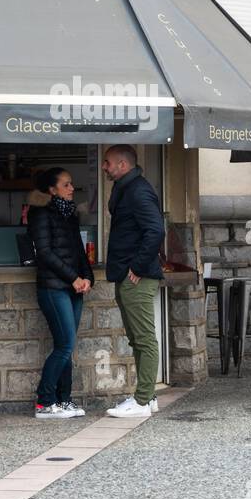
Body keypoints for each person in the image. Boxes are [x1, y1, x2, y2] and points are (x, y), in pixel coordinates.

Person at [101, 145, 164, 418]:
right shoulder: (125, 188)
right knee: (137, 339)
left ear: (122, 165)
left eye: (107, 163)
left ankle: (141, 401)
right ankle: (146, 397)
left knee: (144, 339)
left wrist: (137, 266)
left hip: (137, 276)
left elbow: (156, 229)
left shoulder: (138, 190)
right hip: (127, 274)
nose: (104, 167)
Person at [26, 167, 93, 419]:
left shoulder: (70, 214)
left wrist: (87, 277)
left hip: (74, 286)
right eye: (66, 184)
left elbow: (78, 250)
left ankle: (64, 400)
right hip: (53, 287)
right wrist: (73, 277)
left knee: (67, 345)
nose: (71, 188)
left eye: (71, 183)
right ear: (52, 190)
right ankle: (45, 401)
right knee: (65, 345)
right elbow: (44, 253)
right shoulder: (41, 213)